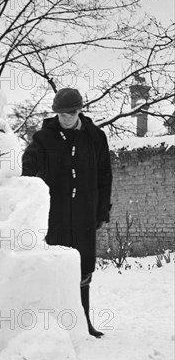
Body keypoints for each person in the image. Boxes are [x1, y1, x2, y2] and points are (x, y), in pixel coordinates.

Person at [22, 88, 112, 338]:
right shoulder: (44, 138)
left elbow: (105, 175)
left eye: (71, 113)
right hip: (56, 214)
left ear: (80, 110)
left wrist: (102, 211)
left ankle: (83, 322)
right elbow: (28, 169)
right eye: (61, 114)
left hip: (85, 212)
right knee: (57, 265)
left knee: (84, 266)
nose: (66, 118)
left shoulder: (95, 137)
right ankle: (55, 323)